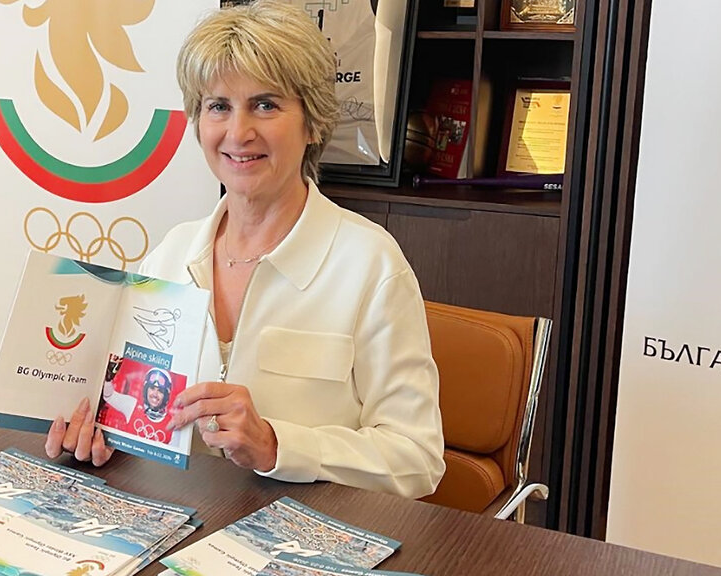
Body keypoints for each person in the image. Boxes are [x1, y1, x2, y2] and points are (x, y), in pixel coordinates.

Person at [46, 0, 444, 498]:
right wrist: (99, 438)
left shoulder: (371, 265)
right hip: (179, 518)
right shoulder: (170, 255)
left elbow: (417, 459)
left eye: (265, 105)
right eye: (218, 106)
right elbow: (136, 416)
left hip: (301, 533)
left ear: (313, 123)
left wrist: (278, 446)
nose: (238, 133)